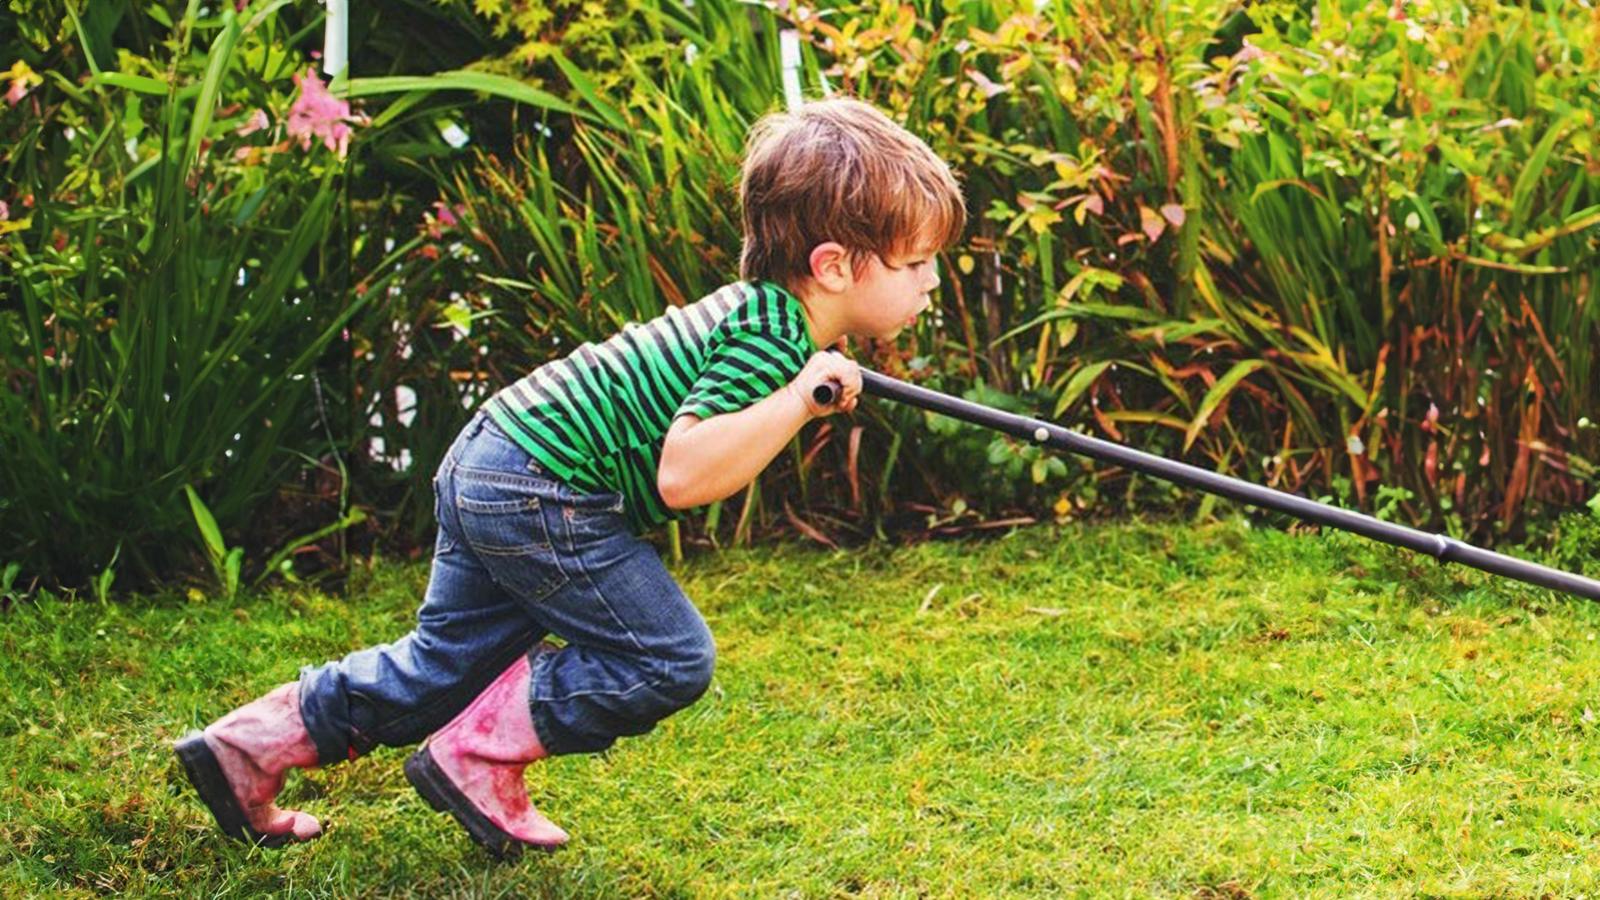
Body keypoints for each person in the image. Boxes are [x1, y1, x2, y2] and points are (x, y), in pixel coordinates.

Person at [174, 95, 966, 858]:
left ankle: (247, 748)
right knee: (668, 657)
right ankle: (478, 757)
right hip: (540, 485)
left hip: (499, 453)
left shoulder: (760, 319)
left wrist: (805, 390)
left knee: (442, 667)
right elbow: (685, 474)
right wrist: (799, 399)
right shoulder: (771, 338)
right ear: (834, 266)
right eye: (918, 263)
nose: (930, 281)